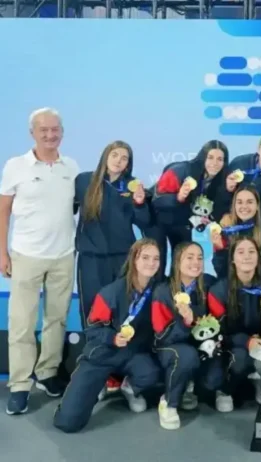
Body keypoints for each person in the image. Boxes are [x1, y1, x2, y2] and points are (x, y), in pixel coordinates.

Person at [0, 108, 79, 415]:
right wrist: (2, 252)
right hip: (25, 255)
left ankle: (46, 373)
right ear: (32, 133)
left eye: (55, 129)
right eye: (43, 130)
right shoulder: (15, 166)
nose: (50, 135)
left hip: (63, 256)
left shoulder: (70, 167)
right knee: (21, 323)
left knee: (56, 319)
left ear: (62, 132)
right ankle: (20, 385)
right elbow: (3, 211)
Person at [53, 239, 161, 433]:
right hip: (104, 354)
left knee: (151, 372)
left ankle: (129, 387)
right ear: (134, 259)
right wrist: (112, 338)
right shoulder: (111, 292)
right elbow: (92, 329)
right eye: (145, 257)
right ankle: (100, 381)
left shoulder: (159, 291)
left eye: (156, 258)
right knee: (67, 422)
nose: (151, 263)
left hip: (134, 354)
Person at [206, 236, 261, 412]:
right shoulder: (218, 290)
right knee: (239, 359)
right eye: (241, 252)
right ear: (233, 259)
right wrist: (246, 342)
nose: (247, 256)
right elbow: (219, 333)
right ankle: (225, 390)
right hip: (234, 344)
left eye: (252, 252)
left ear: (259, 257)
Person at [75, 140, 150, 327]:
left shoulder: (133, 186)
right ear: (105, 156)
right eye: (115, 155)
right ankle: (93, 353)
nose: (118, 161)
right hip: (91, 259)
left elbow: (145, 222)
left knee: (121, 308)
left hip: (123, 258)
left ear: (128, 164)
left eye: (124, 158)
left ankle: (121, 353)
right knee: (91, 308)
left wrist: (140, 203)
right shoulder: (84, 181)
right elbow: (67, 209)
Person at [151, 241, 216, 430]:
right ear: (177, 261)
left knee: (214, 374)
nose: (196, 262)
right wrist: (186, 321)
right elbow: (161, 334)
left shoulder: (208, 284)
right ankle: (169, 403)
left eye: (200, 258)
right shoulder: (162, 292)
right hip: (168, 346)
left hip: (199, 344)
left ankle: (187, 386)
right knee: (186, 355)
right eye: (190, 257)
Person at [151, 140, 229, 255]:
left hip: (182, 222)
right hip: (157, 219)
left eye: (220, 159)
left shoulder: (221, 181)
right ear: (203, 157)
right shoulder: (180, 171)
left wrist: (208, 218)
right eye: (210, 157)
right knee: (157, 260)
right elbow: (156, 200)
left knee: (183, 260)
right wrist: (178, 197)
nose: (215, 163)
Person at [210, 185, 261, 278]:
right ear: (234, 206)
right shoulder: (225, 233)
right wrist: (219, 249)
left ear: (257, 206)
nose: (244, 206)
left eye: (249, 202)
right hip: (232, 287)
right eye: (240, 202)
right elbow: (221, 273)